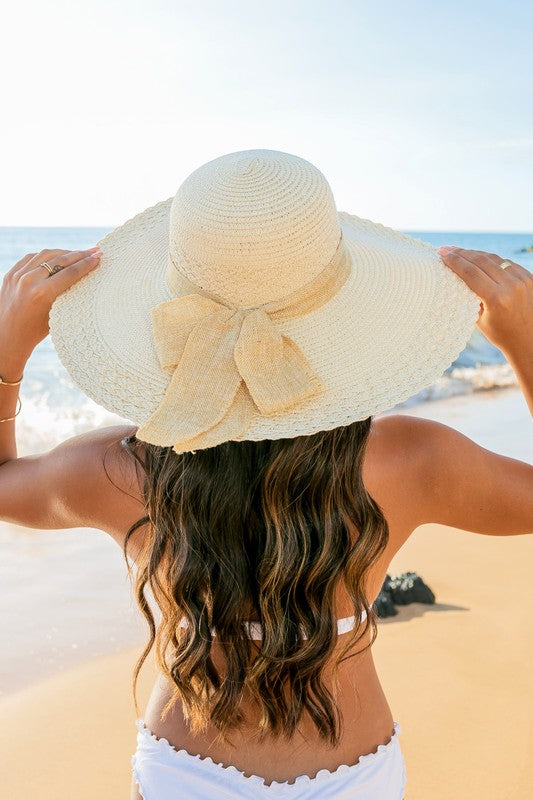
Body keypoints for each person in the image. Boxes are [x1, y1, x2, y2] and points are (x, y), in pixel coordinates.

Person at [0, 150, 531, 800]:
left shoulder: (116, 469)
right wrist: (523, 342)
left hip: (181, 768)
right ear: (352, 324)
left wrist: (10, 350)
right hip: (354, 771)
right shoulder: (414, 461)